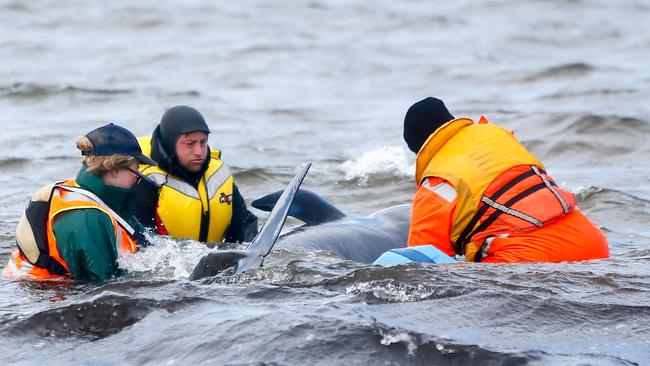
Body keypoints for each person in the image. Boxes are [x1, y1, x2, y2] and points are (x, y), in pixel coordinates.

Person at [402, 97, 609, 263]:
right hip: (592, 242)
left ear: (420, 150)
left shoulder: (435, 183)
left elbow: (423, 264)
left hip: (528, 260)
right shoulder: (497, 135)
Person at [5, 123, 156, 281]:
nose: (138, 177)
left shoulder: (101, 197)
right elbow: (99, 290)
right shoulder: (87, 219)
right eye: (136, 171)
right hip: (43, 293)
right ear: (114, 170)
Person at [134, 105, 258, 244]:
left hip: (217, 260)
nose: (199, 151)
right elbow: (141, 241)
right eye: (190, 144)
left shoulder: (219, 176)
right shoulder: (147, 182)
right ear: (170, 144)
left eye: (203, 142)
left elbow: (245, 224)